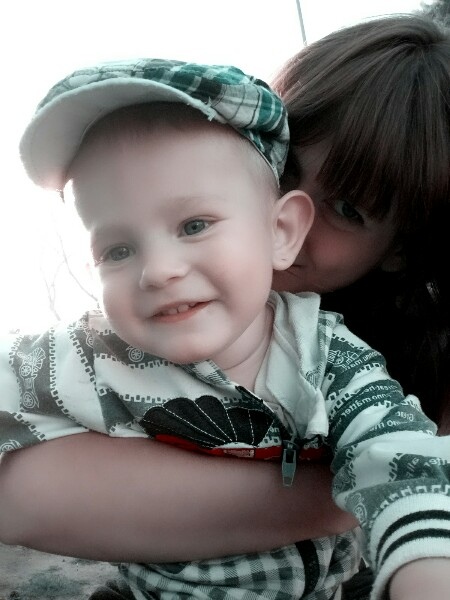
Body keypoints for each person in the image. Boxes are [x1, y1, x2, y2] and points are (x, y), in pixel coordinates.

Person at [0, 12, 448, 599]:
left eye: (347, 209)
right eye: (118, 248)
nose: (161, 268)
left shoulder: (334, 360)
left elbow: (409, 468)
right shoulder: (99, 351)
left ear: (400, 251)